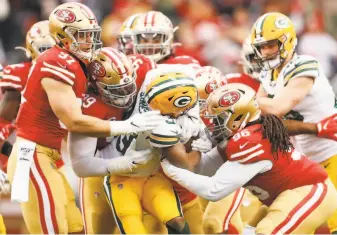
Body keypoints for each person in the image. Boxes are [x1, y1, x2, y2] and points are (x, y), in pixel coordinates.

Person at [6, 3, 165, 234]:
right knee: (50, 228)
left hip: (49, 156)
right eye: (81, 35)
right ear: (62, 36)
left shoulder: (77, 62)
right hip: (30, 155)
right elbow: (74, 121)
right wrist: (124, 126)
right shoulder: (57, 60)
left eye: (91, 35)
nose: (88, 41)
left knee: (75, 227)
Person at [161, 83, 337, 234]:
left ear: (238, 118)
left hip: (309, 191)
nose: (213, 124)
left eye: (219, 118)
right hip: (283, 196)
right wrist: (179, 147)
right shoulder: (236, 137)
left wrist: (171, 170)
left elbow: (213, 191)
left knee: (266, 231)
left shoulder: (250, 141)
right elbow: (202, 169)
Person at [251, 12, 337, 233]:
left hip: (331, 154)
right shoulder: (268, 74)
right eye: (262, 47)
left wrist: (244, 98)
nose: (266, 52)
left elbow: (277, 108)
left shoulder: (303, 65)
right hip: (305, 161)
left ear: (287, 40)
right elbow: (264, 120)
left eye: (271, 45)